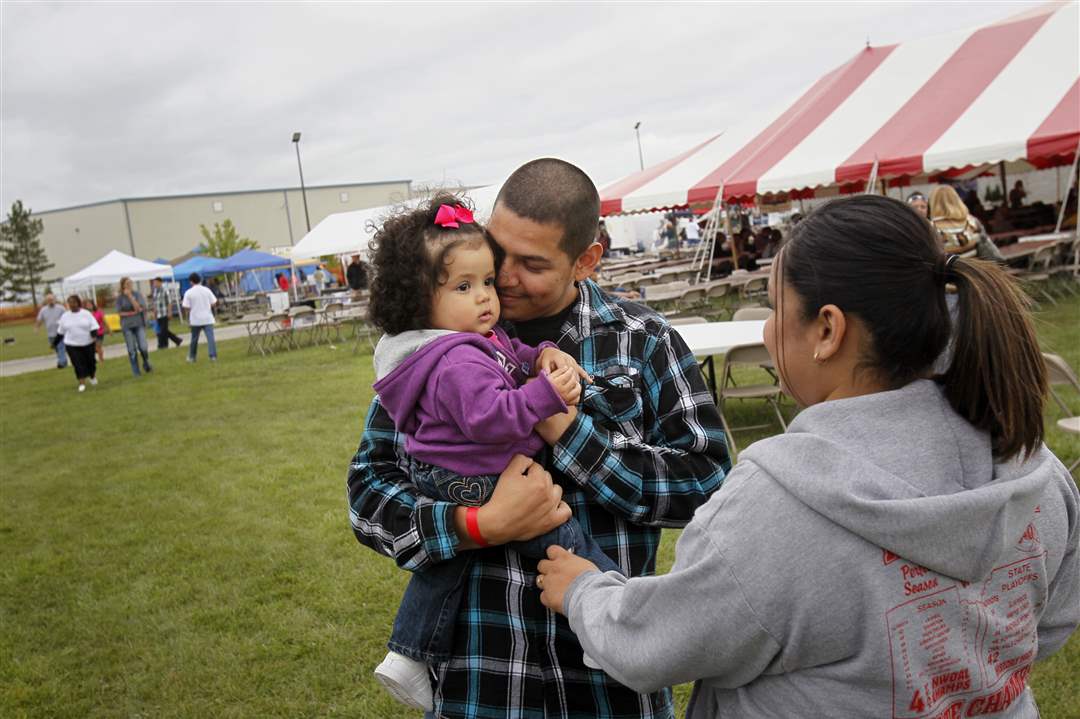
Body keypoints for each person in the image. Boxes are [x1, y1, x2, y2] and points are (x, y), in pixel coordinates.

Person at [537, 194, 1079, 719]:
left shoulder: (779, 508)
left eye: (777, 309)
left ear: (827, 329)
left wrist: (584, 589)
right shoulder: (1036, 469)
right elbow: (1046, 626)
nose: (771, 330)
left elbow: (653, 644)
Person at [348, 158, 730, 719]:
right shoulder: (430, 347)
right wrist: (473, 525)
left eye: (531, 264)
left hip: (611, 690)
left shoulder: (645, 343)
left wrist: (571, 433)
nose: (502, 279)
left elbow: (708, 484)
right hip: (480, 688)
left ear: (586, 260)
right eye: (498, 253)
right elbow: (367, 495)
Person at [365, 195, 620, 711]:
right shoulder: (454, 360)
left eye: (486, 279)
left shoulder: (466, 339)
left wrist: (540, 354)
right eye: (465, 286)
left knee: (446, 565)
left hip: (454, 474)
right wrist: (548, 398)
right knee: (560, 534)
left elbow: (508, 354)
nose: (488, 295)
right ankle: (608, 622)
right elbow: (491, 415)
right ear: (420, 301)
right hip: (472, 477)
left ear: (583, 260)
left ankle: (408, 654)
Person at [56, 295, 99, 392]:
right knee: (77, 364)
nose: (72, 305)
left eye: (74, 302)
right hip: (72, 344)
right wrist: (55, 343)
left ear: (78, 303)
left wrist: (94, 336)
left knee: (91, 362)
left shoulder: (86, 314)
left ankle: (92, 376)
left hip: (87, 343)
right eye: (70, 303)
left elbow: (94, 326)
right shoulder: (65, 316)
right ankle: (81, 382)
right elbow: (60, 331)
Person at [930, 185, 982, 257]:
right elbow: (988, 250)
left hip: (950, 267)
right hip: (975, 266)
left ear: (933, 202)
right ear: (957, 199)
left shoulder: (931, 228)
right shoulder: (972, 221)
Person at [116, 277, 153, 376]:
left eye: (130, 283)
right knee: (132, 349)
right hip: (127, 326)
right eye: (127, 283)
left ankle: (146, 363)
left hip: (138, 324)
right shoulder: (120, 298)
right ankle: (136, 371)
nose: (129, 285)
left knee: (143, 347)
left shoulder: (137, 294)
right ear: (123, 285)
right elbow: (119, 312)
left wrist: (130, 297)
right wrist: (131, 313)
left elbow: (139, 308)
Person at [181, 272, 218, 363]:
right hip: (207, 318)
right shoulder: (207, 290)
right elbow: (214, 303)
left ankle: (192, 357)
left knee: (194, 339)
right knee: (210, 338)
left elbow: (186, 307)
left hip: (195, 319)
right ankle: (212, 356)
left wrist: (188, 317)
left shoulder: (188, 292)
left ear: (191, 282)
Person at [35, 293, 68, 369]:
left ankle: (61, 363)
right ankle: (63, 361)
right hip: (50, 334)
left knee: (61, 347)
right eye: (49, 300)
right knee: (56, 348)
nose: (50, 301)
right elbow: (39, 319)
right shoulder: (43, 310)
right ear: (46, 301)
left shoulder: (61, 308)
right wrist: (37, 328)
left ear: (55, 300)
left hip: (60, 332)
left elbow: (67, 317)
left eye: (52, 299)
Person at [150, 277, 183, 350]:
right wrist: (154, 313)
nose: (154, 284)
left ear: (160, 282)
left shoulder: (165, 290)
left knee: (163, 330)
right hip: (158, 314)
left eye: (155, 282)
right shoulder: (155, 291)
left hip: (164, 313)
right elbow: (155, 303)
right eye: (153, 282)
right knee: (163, 330)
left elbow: (169, 302)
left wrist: (170, 312)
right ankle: (177, 340)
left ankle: (162, 345)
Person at [86, 298, 109, 363]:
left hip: (99, 332)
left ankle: (101, 360)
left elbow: (104, 321)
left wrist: (108, 329)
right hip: (90, 333)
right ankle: (95, 359)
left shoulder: (99, 311)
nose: (88, 306)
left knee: (98, 346)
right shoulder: (86, 314)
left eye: (90, 304)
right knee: (94, 348)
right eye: (87, 305)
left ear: (93, 305)